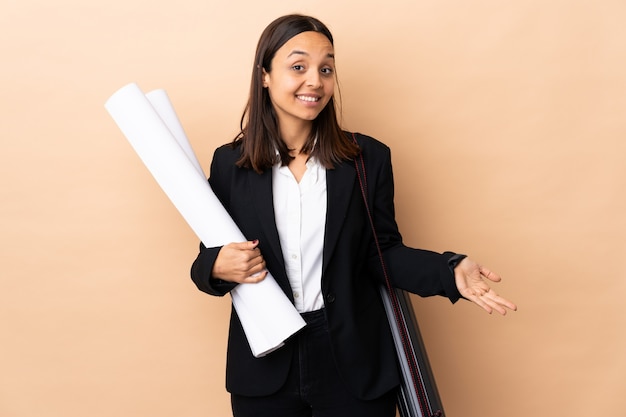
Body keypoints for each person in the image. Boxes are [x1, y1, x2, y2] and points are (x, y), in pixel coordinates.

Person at [191, 14, 517, 417]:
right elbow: (206, 260)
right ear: (264, 76)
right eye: (298, 67)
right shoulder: (230, 164)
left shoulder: (366, 160)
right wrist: (218, 266)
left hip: (351, 361)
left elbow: (382, 253)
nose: (315, 81)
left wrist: (448, 271)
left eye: (326, 68)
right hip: (264, 364)